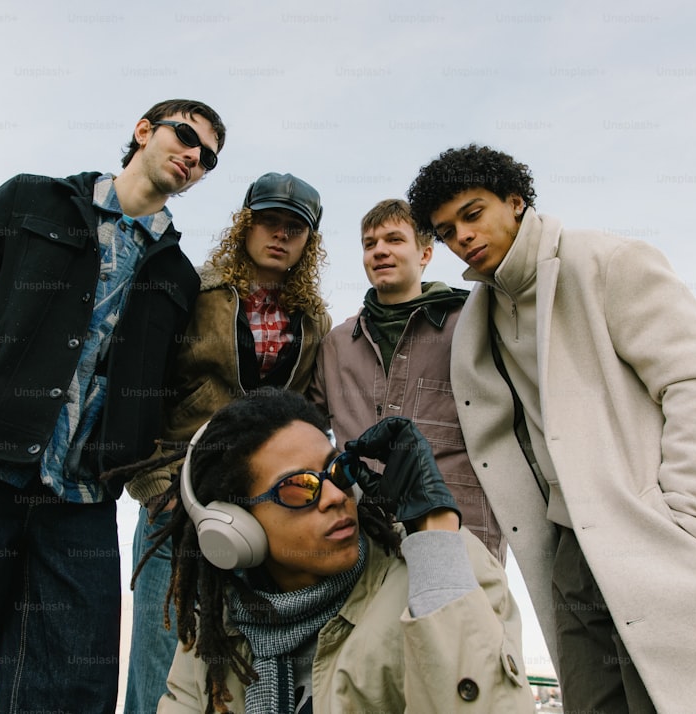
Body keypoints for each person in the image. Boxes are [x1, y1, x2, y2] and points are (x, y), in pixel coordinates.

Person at [407, 144, 696, 712]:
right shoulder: (481, 317)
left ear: (515, 201)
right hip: (570, 551)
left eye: (473, 214)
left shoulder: (607, 262)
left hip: (655, 529)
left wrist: (693, 516)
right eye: (447, 231)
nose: (462, 238)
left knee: (694, 697)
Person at [0, 99, 225, 713]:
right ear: (143, 131)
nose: (196, 156)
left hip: (80, 505)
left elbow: (168, 390)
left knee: (70, 696)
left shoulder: (179, 278)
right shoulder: (33, 200)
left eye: (209, 158)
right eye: (187, 136)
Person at [150, 388, 535, 713]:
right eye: (299, 487)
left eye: (336, 471)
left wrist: (435, 534)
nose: (335, 496)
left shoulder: (444, 564)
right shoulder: (216, 629)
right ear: (236, 527)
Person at [118, 173, 331, 713]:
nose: (279, 235)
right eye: (267, 221)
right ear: (245, 223)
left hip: (261, 510)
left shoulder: (313, 321)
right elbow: (143, 388)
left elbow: (309, 415)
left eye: (294, 228)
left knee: (245, 661)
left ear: (309, 242)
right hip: (178, 500)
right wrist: (153, 485)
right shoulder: (196, 292)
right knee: (161, 652)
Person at [310, 198, 505, 561]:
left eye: (394, 240)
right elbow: (309, 429)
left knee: (459, 618)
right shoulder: (335, 343)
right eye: (370, 244)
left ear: (425, 254)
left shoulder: (474, 322)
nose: (380, 251)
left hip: (459, 526)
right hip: (360, 530)